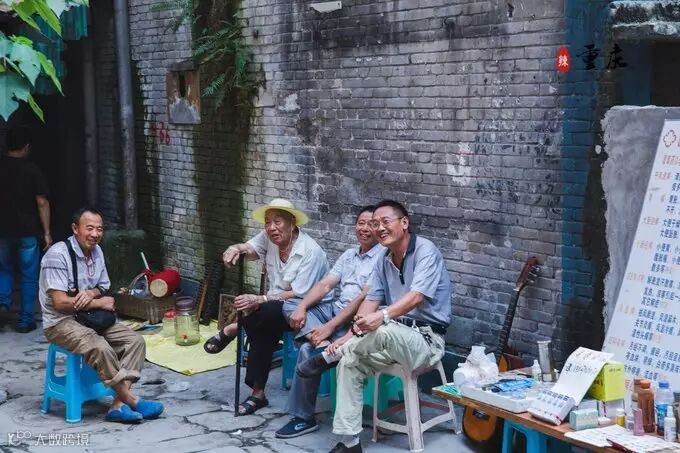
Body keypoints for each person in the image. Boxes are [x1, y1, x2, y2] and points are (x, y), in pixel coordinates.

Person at [297, 200, 452, 453]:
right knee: (349, 362)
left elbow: (416, 296)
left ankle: (329, 357)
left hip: (426, 340)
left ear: (404, 222)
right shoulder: (383, 258)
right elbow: (371, 301)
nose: (379, 228)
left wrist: (382, 316)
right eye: (375, 223)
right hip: (388, 339)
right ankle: (350, 442)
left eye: (384, 222)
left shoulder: (426, 250)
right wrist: (348, 336)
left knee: (383, 328)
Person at [203, 198, 333, 415]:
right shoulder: (269, 237)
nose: (271, 227)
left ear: (292, 223)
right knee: (265, 320)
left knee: (266, 314)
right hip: (275, 308)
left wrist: (260, 299)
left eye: (278, 221)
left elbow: (299, 294)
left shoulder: (311, 251)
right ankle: (257, 394)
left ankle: (236, 330)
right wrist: (235, 248)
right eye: (267, 222)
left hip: (310, 309)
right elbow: (250, 249)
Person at [39, 207, 164, 423]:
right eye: (89, 228)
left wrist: (92, 293)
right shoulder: (57, 256)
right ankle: (132, 400)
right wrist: (99, 302)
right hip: (60, 322)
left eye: (99, 229)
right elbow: (60, 303)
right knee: (99, 346)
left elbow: (103, 285)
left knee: (135, 341)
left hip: (88, 318)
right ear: (75, 229)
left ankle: (117, 405)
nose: (95, 234)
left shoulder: (96, 251)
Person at [275, 205, 384, 438]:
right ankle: (322, 346)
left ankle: (303, 418)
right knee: (291, 305)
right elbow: (325, 285)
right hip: (335, 309)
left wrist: (329, 327)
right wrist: (303, 307)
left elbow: (362, 299)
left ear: (379, 228)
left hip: (359, 318)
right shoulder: (349, 255)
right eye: (361, 223)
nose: (365, 228)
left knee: (306, 350)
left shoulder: (383, 257)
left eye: (371, 224)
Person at [0, 128, 52, 333]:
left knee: (3, 268)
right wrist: (47, 232)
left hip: (2, 230)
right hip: (28, 231)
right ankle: (25, 319)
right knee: (29, 275)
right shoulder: (32, 170)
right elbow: (42, 202)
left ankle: (3, 303)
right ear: (26, 147)